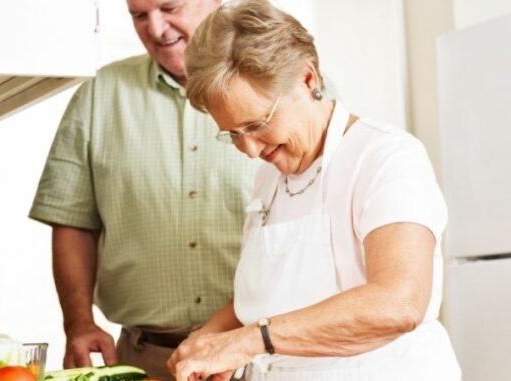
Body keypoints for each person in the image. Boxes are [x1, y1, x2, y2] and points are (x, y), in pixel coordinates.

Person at [167, 0, 462, 380]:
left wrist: (246, 341)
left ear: (307, 79)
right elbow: (271, 294)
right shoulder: (270, 176)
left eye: (257, 124)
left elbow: (399, 302)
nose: (251, 150)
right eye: (233, 135)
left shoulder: (385, 156)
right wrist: (211, 337)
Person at [29, 0, 258, 380]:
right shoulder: (99, 95)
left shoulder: (280, 87)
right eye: (139, 14)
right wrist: (79, 323)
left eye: (169, 7)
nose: (155, 28)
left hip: (259, 357)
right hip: (146, 362)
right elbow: (72, 221)